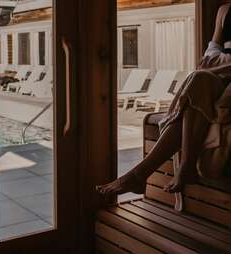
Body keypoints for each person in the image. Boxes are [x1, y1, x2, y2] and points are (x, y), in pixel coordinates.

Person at [97, 4, 231, 198]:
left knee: (199, 78)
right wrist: (218, 62)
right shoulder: (224, 10)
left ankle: (141, 174)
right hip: (219, 76)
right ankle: (186, 167)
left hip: (221, 73)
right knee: (198, 79)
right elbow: (212, 51)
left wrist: (217, 62)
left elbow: (211, 60)